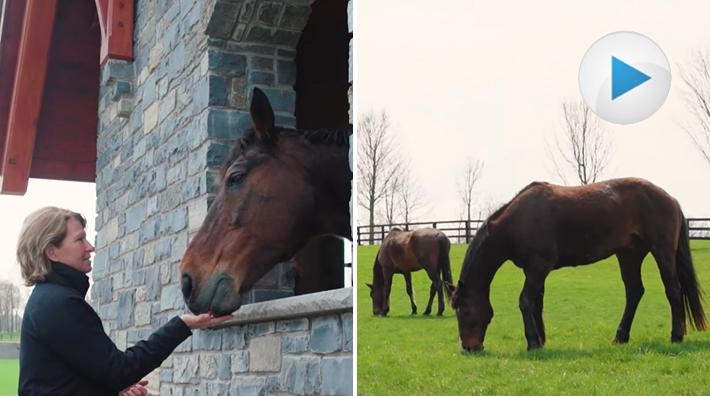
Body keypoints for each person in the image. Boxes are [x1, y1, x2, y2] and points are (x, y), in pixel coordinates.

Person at [17, 207, 232, 395]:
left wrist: (112, 390)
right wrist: (182, 325)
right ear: (52, 252)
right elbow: (119, 371)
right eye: (79, 239)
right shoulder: (58, 304)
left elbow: (66, 381)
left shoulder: (50, 299)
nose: (90, 246)